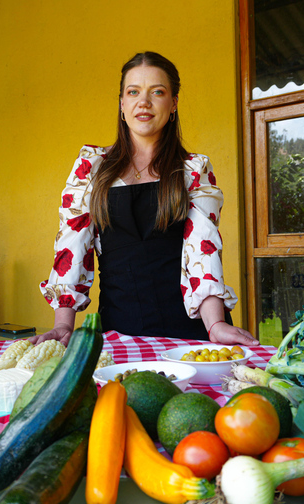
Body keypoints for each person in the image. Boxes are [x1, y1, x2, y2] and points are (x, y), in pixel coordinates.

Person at [33, 51, 258, 347]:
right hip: (118, 335)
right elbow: (71, 247)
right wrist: (63, 325)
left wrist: (215, 325)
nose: (144, 102)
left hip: (190, 334)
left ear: (173, 103)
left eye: (158, 92)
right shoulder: (91, 168)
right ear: (122, 105)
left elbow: (203, 250)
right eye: (133, 92)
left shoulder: (193, 170)